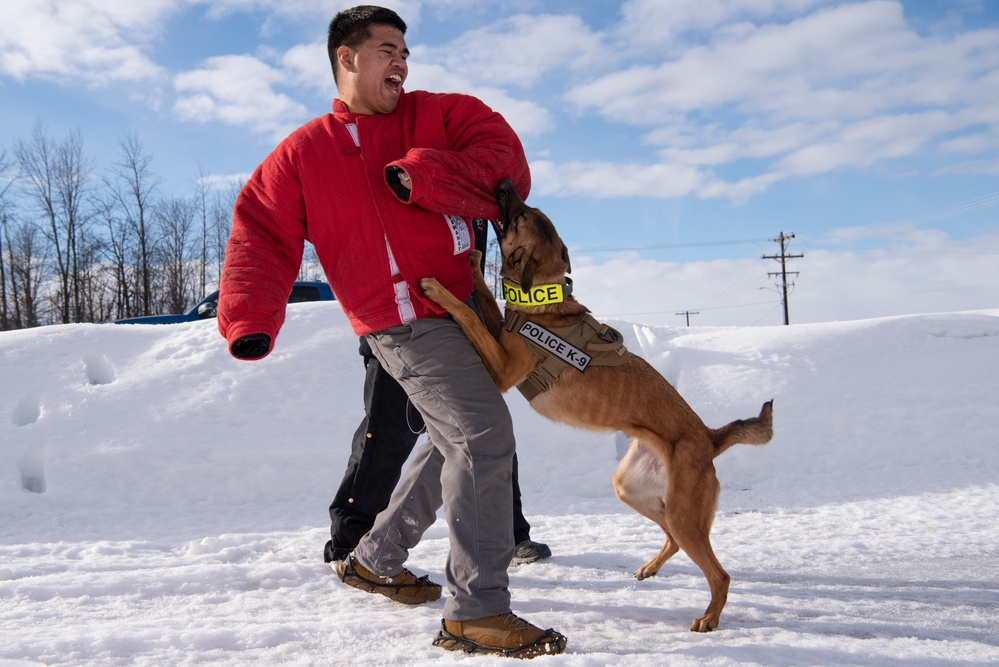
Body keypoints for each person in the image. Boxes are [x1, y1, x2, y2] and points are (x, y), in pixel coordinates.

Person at [217, 5, 566, 659]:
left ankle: (376, 557)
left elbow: (506, 169)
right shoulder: (304, 153)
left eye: (405, 50)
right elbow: (260, 231)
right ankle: (477, 610)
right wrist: (251, 317)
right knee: (482, 436)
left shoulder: (441, 114)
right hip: (396, 320)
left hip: (460, 304)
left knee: (454, 438)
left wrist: (424, 176)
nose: (401, 62)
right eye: (386, 49)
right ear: (346, 58)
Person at [323, 219, 552, 568]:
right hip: (402, 317)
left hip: (461, 312)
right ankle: (351, 538)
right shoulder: (402, 174)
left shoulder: (473, 182)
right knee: (387, 430)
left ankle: (512, 532)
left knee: (484, 422)